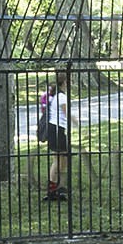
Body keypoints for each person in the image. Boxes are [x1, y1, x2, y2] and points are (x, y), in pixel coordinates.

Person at [45, 70, 70, 203]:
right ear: (65, 82)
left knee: (61, 160)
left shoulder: (57, 95)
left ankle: (56, 187)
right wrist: (76, 122)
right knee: (60, 160)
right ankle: (53, 189)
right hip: (57, 130)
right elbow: (67, 114)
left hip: (55, 129)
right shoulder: (61, 96)